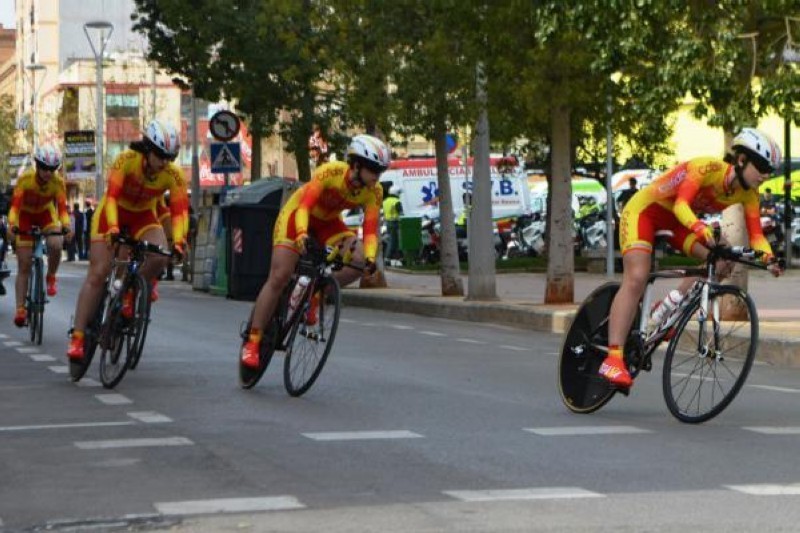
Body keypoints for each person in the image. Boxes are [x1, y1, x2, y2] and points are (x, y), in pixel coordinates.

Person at [599, 127, 785, 389]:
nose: (766, 175)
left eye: (771, 170)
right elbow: (681, 205)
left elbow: (756, 237)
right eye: (763, 166)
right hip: (646, 212)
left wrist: (769, 259)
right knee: (637, 277)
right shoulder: (706, 168)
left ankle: (669, 307)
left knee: (722, 259)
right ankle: (613, 358)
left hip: (677, 223)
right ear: (742, 160)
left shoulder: (748, 194)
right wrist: (699, 228)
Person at [240, 133, 390, 368]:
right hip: (298, 215)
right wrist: (301, 234)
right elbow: (304, 206)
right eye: (374, 171)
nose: (377, 178)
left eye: (380, 172)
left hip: (328, 223)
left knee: (359, 261)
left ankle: (315, 292)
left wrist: (370, 258)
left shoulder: (374, 191)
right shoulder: (330, 173)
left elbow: (370, 230)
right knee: (280, 276)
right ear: (357, 165)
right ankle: (253, 340)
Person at [66, 120, 189, 360]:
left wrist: (179, 241)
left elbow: (180, 212)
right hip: (112, 213)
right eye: (160, 155)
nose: (165, 162)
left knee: (159, 256)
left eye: (170, 157)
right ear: (147, 148)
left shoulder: (173, 175)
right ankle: (78, 337)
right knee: (99, 272)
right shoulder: (126, 160)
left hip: (142, 216)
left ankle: (130, 293)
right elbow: (111, 197)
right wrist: (112, 227)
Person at [7, 144, 73, 327]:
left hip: (45, 214)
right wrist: (12, 225)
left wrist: (67, 226)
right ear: (37, 165)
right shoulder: (25, 179)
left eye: (52, 169)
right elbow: (14, 207)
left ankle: (51, 275)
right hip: (25, 215)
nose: (48, 173)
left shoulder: (58, 182)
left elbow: (62, 209)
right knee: (24, 265)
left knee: (56, 244)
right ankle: (20, 308)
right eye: (44, 168)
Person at [382, 184, 403, 264]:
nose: (399, 195)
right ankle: (389, 258)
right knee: (396, 241)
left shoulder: (385, 201)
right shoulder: (396, 202)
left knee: (392, 241)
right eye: (399, 193)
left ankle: (394, 258)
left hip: (388, 223)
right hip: (396, 223)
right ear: (396, 193)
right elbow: (401, 214)